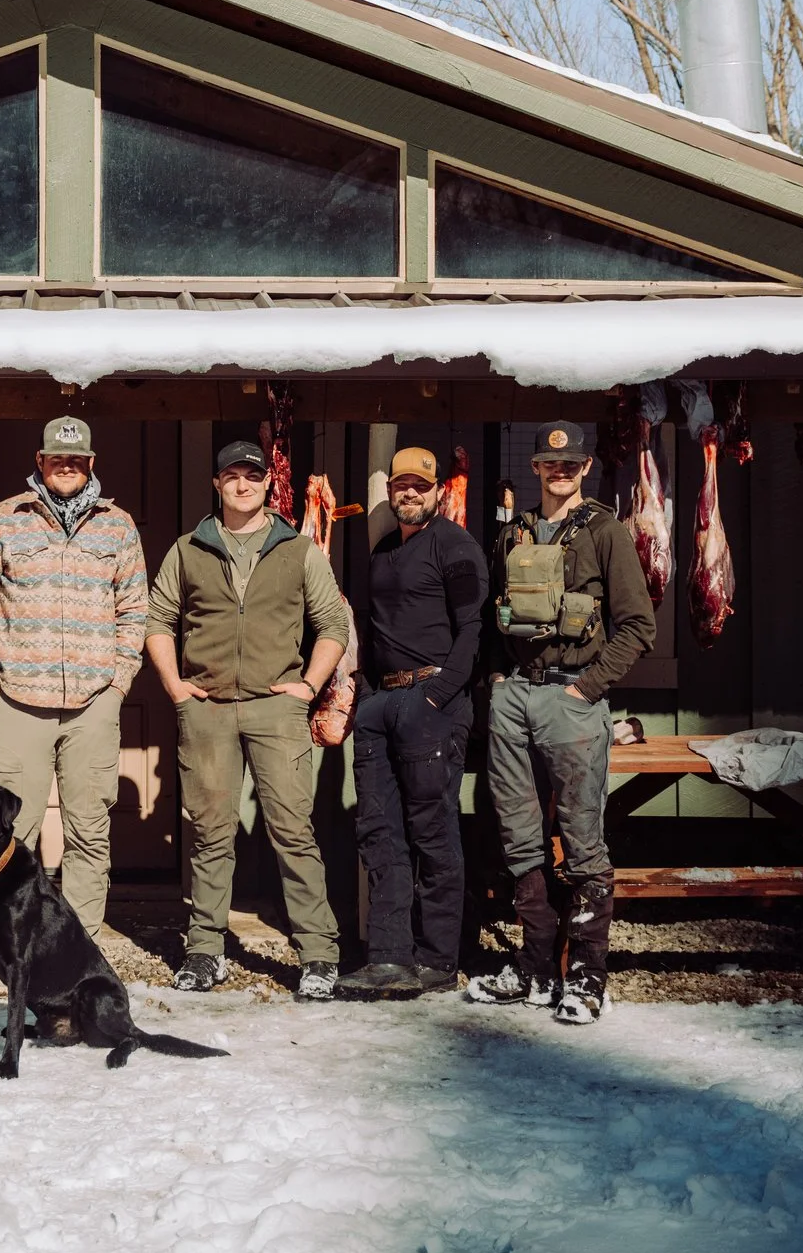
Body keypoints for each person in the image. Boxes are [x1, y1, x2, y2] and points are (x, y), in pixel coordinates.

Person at [144, 439, 350, 1001]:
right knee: (211, 834)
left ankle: (318, 956)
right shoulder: (188, 549)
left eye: (252, 476)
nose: (242, 485)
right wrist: (174, 686)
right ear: (216, 483)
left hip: (275, 708)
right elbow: (158, 619)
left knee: (292, 832)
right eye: (231, 476)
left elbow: (332, 623)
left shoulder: (299, 549)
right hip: (207, 708)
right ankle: (205, 950)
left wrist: (308, 686)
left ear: (267, 484)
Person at [470, 421, 655, 1025]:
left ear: (587, 468)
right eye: (551, 465)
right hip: (514, 698)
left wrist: (586, 688)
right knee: (519, 834)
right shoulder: (515, 533)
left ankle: (586, 976)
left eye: (571, 465)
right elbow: (495, 615)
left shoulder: (606, 532)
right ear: (536, 469)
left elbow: (637, 627)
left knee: (582, 837)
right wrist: (498, 678)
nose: (560, 473)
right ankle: (535, 968)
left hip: (570, 700)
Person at [0, 415, 148, 937]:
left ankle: (75, 944)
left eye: (77, 459)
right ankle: (11, 937)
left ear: (92, 464)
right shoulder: (1, 521)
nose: (67, 466)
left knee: (89, 829)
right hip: (18, 700)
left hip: (94, 702)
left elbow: (135, 608)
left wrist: (119, 684)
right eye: (57, 458)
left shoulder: (118, 526)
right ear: (39, 462)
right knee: (10, 830)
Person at [337, 446, 487, 1000]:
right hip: (381, 704)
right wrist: (370, 697)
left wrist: (440, 694)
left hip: (432, 703)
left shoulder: (456, 547)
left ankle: (437, 959)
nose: (410, 493)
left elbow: (473, 629)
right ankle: (388, 956)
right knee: (379, 831)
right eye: (401, 485)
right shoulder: (382, 550)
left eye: (420, 486)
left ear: (437, 491)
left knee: (432, 833)